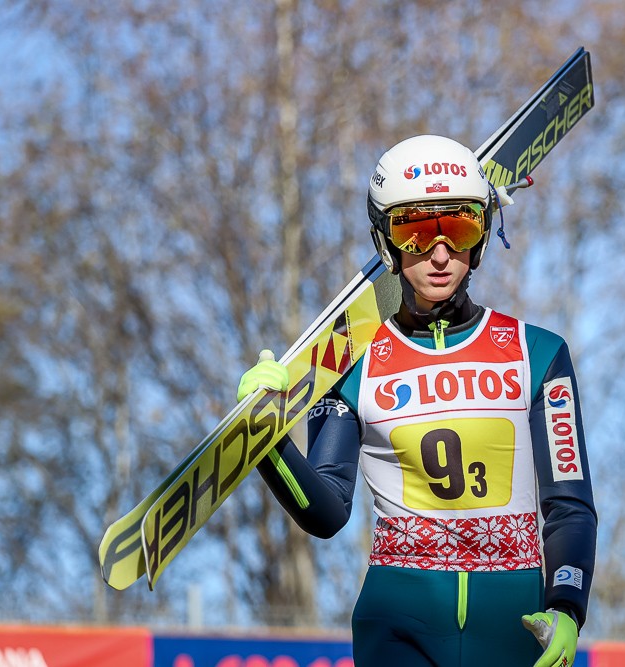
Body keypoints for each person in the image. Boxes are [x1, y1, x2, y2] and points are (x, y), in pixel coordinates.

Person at [238, 135, 597, 667]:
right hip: (397, 623)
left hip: (515, 624)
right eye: (416, 232)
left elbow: (569, 503)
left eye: (459, 227)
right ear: (385, 241)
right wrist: (266, 442)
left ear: (482, 235)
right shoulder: (350, 366)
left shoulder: (538, 354)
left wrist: (566, 605)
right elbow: (326, 511)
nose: (440, 254)